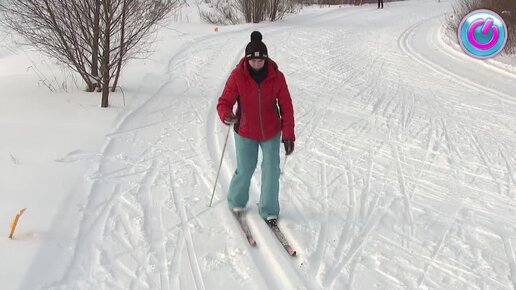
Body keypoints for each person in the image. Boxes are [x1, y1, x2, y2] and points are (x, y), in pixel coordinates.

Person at [217, 31, 295, 225]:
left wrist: (288, 135)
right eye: (253, 61)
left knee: (271, 170)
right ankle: (236, 201)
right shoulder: (238, 76)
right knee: (245, 168)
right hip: (245, 131)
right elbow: (224, 101)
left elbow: (286, 106)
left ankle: (269, 209)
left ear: (266, 60)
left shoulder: (276, 77)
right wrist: (226, 113)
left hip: (271, 131)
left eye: (261, 61)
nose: (257, 65)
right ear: (247, 59)